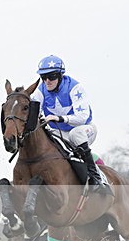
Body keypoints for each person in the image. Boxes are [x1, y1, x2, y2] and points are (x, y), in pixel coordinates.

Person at [31, 55, 109, 194]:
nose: (47, 81)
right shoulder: (40, 91)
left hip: (83, 129)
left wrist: (59, 118)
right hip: (59, 132)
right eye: (44, 77)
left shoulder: (75, 87)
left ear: (60, 75)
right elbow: (33, 113)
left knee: (75, 134)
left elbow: (82, 116)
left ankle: (96, 177)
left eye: (52, 76)